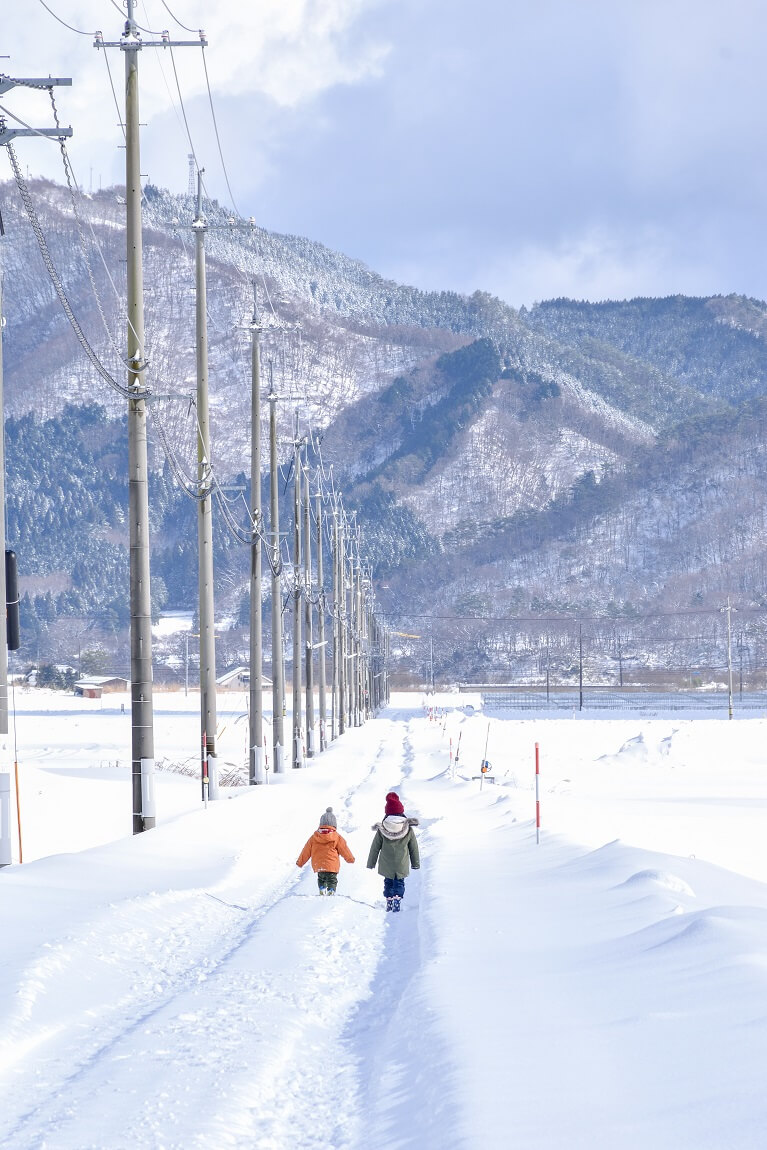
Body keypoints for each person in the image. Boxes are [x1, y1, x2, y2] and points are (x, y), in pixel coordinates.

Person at [367, 791, 420, 912]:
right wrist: (415, 863)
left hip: (386, 863)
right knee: (399, 882)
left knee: (388, 882)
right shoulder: (408, 829)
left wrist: (371, 863)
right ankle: (397, 900)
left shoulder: (382, 828)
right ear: (401, 812)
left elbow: (375, 847)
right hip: (401, 863)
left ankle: (389, 900)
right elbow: (413, 847)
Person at [296, 806, 355, 895]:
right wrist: (350, 859)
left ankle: (322, 888)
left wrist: (300, 862)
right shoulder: (337, 837)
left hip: (318, 865)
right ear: (334, 825)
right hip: (332, 865)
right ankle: (331, 890)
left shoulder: (314, 837)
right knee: (332, 880)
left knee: (321, 878)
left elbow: (306, 850)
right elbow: (344, 849)